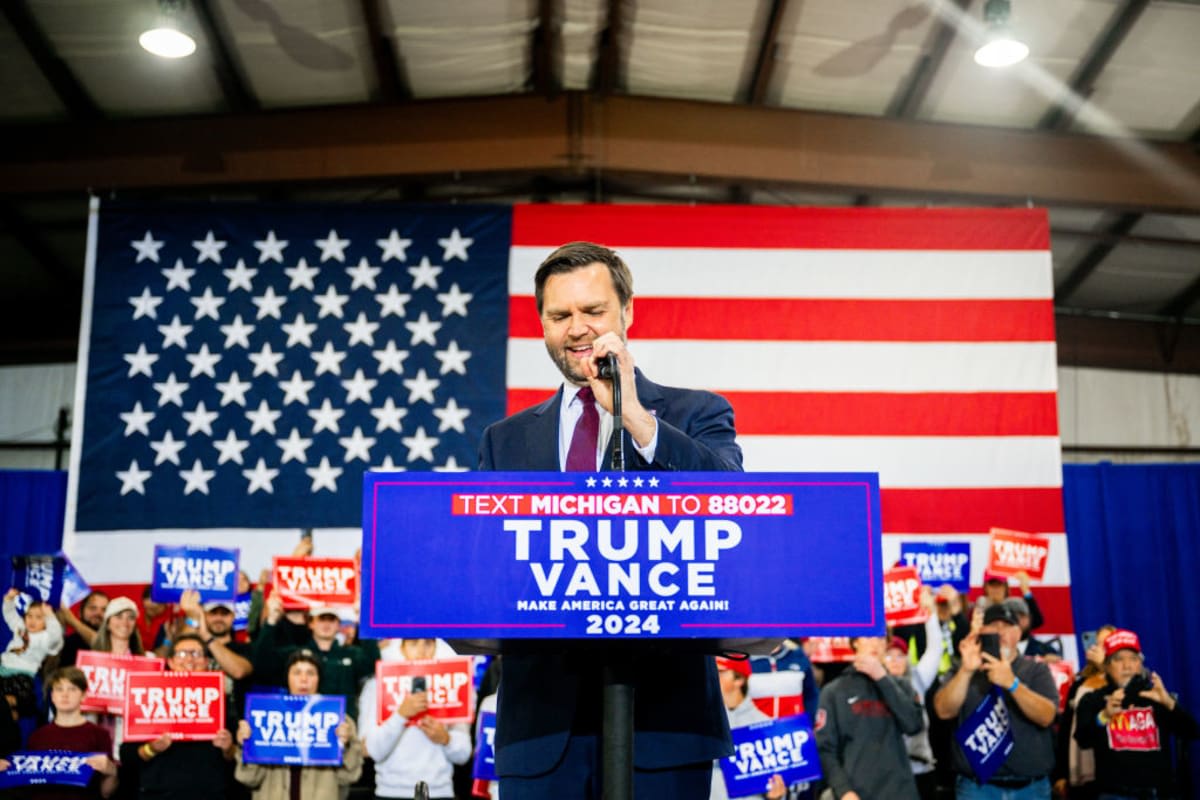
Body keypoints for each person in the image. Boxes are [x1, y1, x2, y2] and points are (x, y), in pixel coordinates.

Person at [476, 241, 743, 798]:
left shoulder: (696, 413)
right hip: (541, 734)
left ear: (627, 312)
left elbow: (728, 498)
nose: (578, 328)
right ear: (543, 325)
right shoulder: (504, 441)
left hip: (665, 723)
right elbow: (486, 568)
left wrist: (633, 418)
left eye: (593, 311)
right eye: (560, 315)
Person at [933, 603, 1057, 798]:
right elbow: (943, 710)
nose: (1000, 632)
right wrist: (966, 671)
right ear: (981, 631)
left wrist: (1012, 684)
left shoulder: (1036, 670)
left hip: (1030, 788)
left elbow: (1047, 716)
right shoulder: (964, 666)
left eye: (1007, 626)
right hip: (976, 788)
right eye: (993, 626)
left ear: (1018, 633)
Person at [1074, 628, 1199, 799]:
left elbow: (1192, 732)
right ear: (1107, 666)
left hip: (1158, 793)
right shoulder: (1093, 699)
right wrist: (1104, 716)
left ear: (1140, 664)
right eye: (1119, 660)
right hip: (1114, 794)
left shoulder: (1155, 696)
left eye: (1133, 659)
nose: (1127, 666)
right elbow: (1083, 740)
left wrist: (1169, 703)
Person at [116, 633, 234, 800]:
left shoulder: (222, 700)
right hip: (158, 793)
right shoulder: (147, 696)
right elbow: (127, 756)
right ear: (170, 662)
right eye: (182, 654)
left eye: (197, 654)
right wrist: (151, 749)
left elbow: (235, 756)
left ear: (207, 662)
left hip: (209, 792)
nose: (190, 660)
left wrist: (228, 748)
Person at [234, 649, 362, 799]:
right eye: (297, 672)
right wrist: (246, 746)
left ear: (319, 679)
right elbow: (248, 779)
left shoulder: (340, 721)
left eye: (310, 673)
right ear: (287, 678)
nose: (303, 679)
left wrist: (344, 747)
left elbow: (350, 777)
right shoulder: (263, 718)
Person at [358, 639, 470, 800]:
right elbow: (370, 751)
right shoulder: (376, 685)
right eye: (413, 643)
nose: (421, 651)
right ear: (401, 647)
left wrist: (446, 739)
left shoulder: (452, 684)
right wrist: (400, 716)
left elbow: (464, 754)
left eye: (428, 643)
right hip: (390, 792)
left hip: (440, 792)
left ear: (436, 647)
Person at [815, 635, 924, 800]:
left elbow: (913, 725)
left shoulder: (901, 686)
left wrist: (881, 677)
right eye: (868, 637)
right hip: (856, 792)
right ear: (855, 642)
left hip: (900, 791)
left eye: (881, 638)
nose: (876, 643)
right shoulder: (833, 691)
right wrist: (844, 791)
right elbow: (825, 750)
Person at [0, 665, 119, 798]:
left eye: (72, 689)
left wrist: (111, 772)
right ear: (52, 696)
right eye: (59, 689)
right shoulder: (37, 736)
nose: (65, 695)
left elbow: (106, 793)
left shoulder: (100, 735)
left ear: (83, 695)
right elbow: (27, 785)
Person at [253, 595, 374, 722]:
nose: (326, 624)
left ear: (339, 624)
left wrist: (363, 618)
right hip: (304, 726)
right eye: (321, 619)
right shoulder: (296, 655)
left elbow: (372, 663)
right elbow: (262, 664)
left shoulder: (351, 654)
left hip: (343, 728)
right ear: (311, 623)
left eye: (331, 619)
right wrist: (271, 621)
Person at [710, 656, 786, 800]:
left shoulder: (765, 723)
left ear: (739, 680)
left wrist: (776, 796)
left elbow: (776, 781)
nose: (712, 677)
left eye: (720, 672)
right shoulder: (704, 721)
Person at [2, 588, 64, 718]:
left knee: (14, 706)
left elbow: (56, 634)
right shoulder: (21, 629)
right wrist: (9, 599)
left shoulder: (46, 638)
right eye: (29, 616)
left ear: (46, 622)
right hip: (3, 670)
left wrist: (50, 615)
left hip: (22, 676)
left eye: (39, 617)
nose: (32, 620)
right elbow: (10, 615)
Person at [57, 592, 109, 666]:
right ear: (80, 613)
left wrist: (71, 619)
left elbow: (99, 643)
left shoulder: (117, 642)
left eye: (104, 609)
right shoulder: (66, 643)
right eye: (93, 608)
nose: (98, 613)